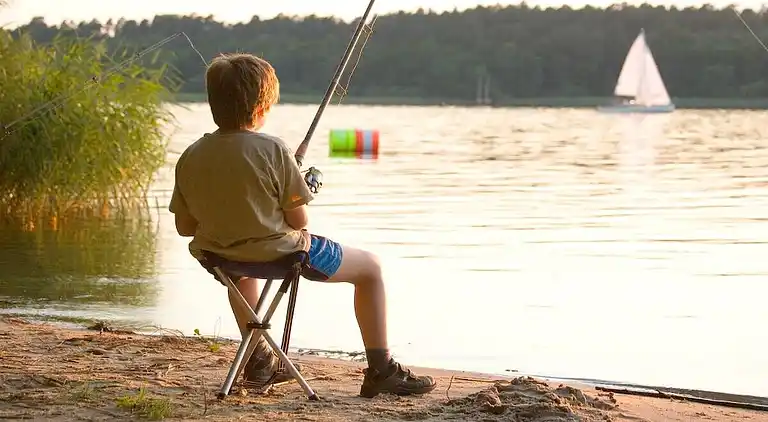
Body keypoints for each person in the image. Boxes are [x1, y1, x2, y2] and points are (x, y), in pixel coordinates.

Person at [168, 52, 437, 399]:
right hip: (284, 254)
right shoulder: (275, 150)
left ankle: (258, 359)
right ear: (262, 107)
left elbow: (185, 226)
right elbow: (299, 220)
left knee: (240, 273)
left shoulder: (191, 155)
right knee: (371, 268)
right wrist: (301, 190)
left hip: (219, 257)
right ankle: (381, 370)